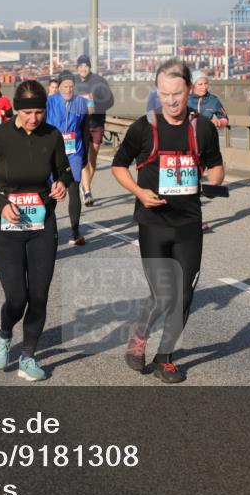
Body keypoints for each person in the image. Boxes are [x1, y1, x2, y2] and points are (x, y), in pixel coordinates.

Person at [111, 59, 225, 383]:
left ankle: (165, 357)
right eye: (164, 94)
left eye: (177, 93)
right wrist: (139, 191)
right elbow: (119, 165)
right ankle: (139, 334)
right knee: (163, 295)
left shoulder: (202, 127)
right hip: (152, 222)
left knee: (184, 295)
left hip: (189, 224)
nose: (171, 101)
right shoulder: (144, 127)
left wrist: (214, 183)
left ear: (188, 90)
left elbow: (216, 165)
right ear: (157, 93)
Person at [0, 80, 71, 381]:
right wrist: (0, 202)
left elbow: (64, 169)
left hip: (42, 224)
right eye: (27, 112)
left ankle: (28, 357)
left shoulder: (52, 135)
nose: (33, 118)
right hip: (6, 225)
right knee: (17, 297)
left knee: (38, 296)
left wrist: (61, 184)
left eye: (39, 112)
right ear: (17, 110)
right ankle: (4, 334)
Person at [46, 71, 92, 246]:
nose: (68, 90)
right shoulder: (49, 102)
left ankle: (75, 233)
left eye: (71, 87)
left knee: (74, 190)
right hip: (52, 152)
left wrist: (85, 154)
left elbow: (85, 129)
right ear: (58, 87)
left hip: (74, 152)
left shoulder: (81, 103)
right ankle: (49, 233)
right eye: (65, 86)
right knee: (52, 192)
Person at [74, 54, 114, 206]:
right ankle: (87, 191)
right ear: (77, 68)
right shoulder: (74, 82)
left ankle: (85, 186)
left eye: (86, 66)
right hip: (81, 125)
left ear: (89, 67)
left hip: (96, 123)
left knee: (92, 158)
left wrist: (96, 107)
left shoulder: (99, 81)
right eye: (81, 66)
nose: (83, 69)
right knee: (84, 156)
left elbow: (110, 101)